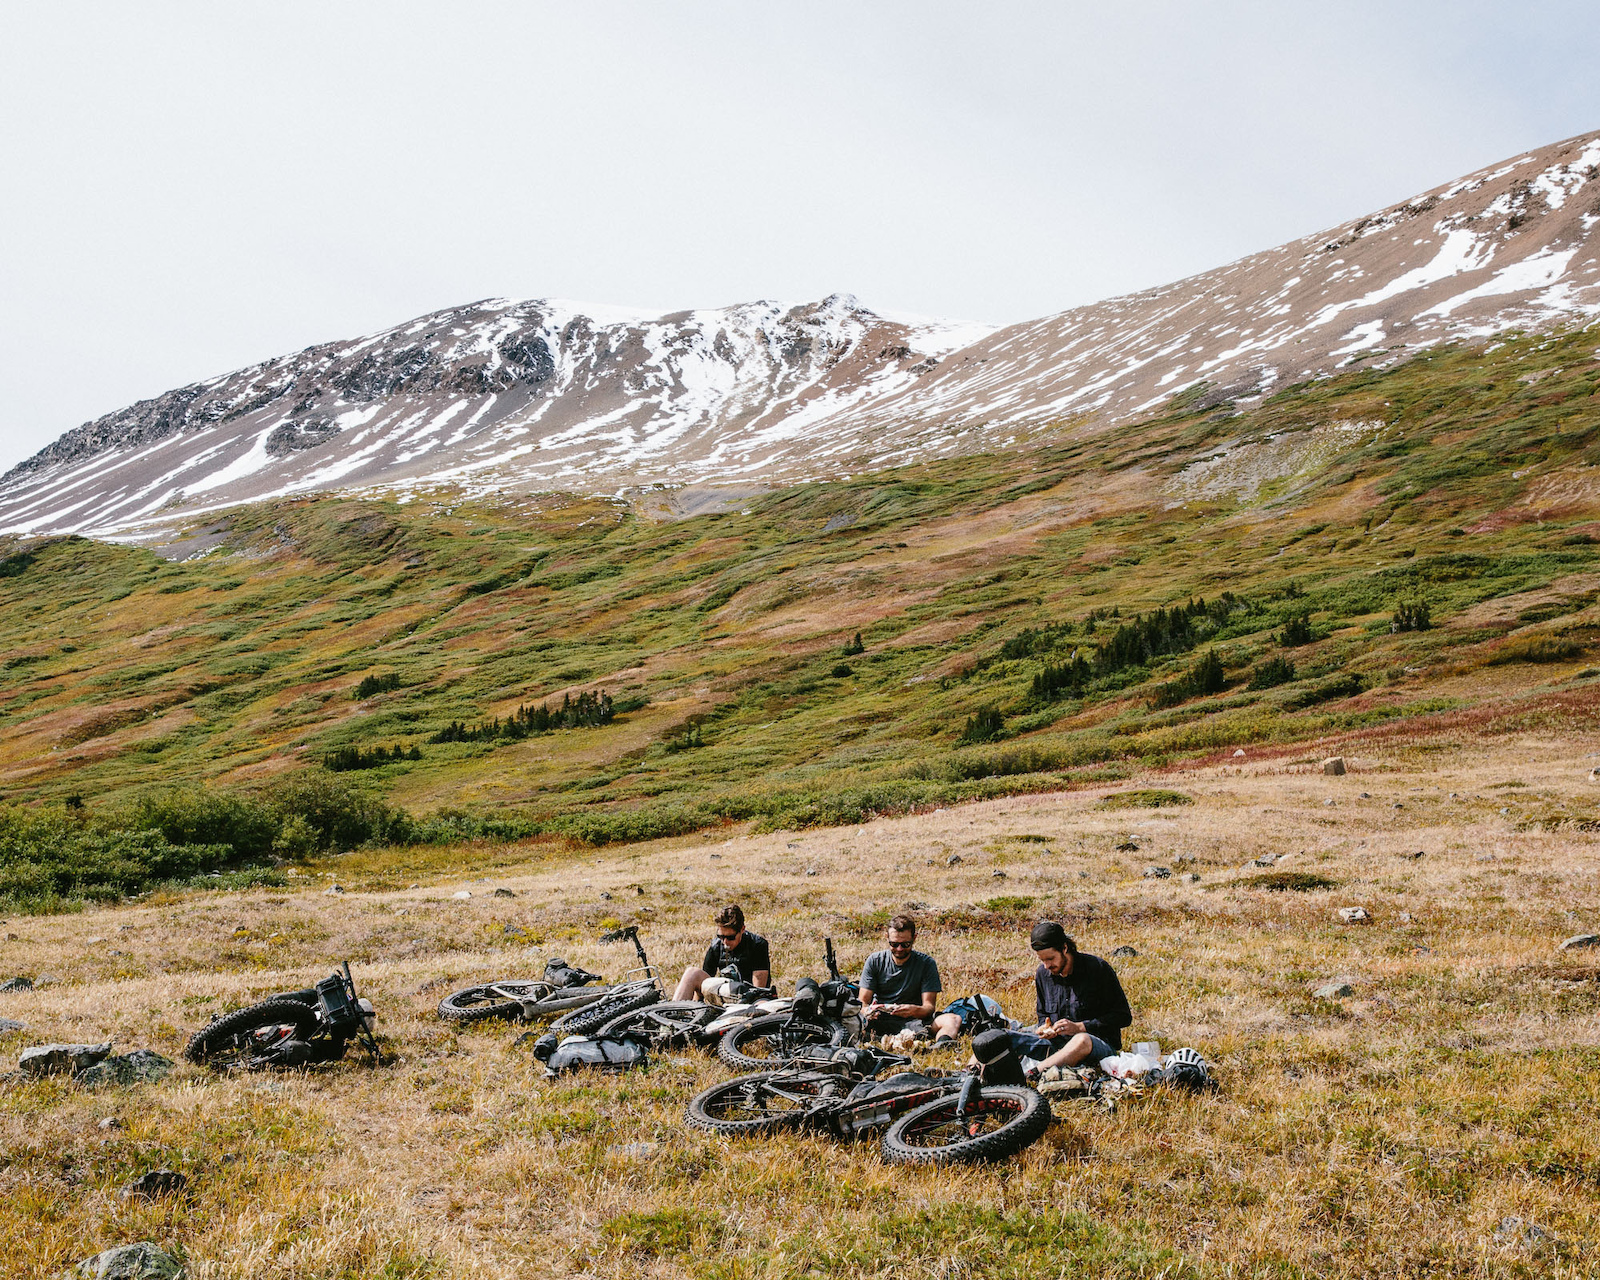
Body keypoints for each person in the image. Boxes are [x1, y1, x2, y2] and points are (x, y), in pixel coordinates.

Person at [1008, 920, 1131, 1075]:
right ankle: (971, 1074)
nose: (1046, 965)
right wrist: (1045, 1028)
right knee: (1000, 1036)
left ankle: (1032, 1075)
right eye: (1042, 960)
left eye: (1051, 959)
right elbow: (1043, 1015)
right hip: (1055, 1045)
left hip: (1094, 1047)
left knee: (1081, 1040)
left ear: (1065, 948)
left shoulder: (1098, 969)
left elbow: (1123, 1017)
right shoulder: (1043, 974)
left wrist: (1080, 1027)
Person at [858, 914, 941, 1038]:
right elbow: (863, 1002)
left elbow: (929, 1007)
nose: (900, 949)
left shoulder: (926, 963)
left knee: (944, 1023)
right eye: (894, 944)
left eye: (905, 944)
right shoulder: (875, 961)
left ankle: (939, 1042)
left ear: (914, 938)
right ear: (887, 938)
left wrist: (913, 1010)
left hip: (912, 1019)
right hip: (879, 1019)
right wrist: (868, 1011)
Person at [673, 904, 771, 1001]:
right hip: (724, 994)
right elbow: (703, 985)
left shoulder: (757, 944)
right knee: (692, 973)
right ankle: (674, 1010)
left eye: (730, 937)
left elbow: (758, 989)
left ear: (742, 929)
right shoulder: (716, 946)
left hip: (748, 997)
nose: (725, 942)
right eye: (721, 937)